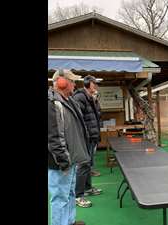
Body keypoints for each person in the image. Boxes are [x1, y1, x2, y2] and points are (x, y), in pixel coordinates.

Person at [48, 69, 90, 225]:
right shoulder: (52, 103)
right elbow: (54, 138)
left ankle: (69, 221)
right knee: (59, 197)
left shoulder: (67, 100)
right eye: (71, 81)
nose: (74, 84)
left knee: (70, 193)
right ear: (61, 82)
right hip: (60, 163)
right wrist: (63, 162)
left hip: (70, 160)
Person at [73, 75, 103, 208]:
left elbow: (97, 115)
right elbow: (78, 119)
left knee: (88, 164)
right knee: (83, 165)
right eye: (94, 83)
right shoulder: (80, 97)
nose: (96, 85)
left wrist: (95, 100)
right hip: (85, 137)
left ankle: (88, 188)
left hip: (92, 136)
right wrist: (84, 135)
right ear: (88, 84)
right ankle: (78, 195)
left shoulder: (91, 98)